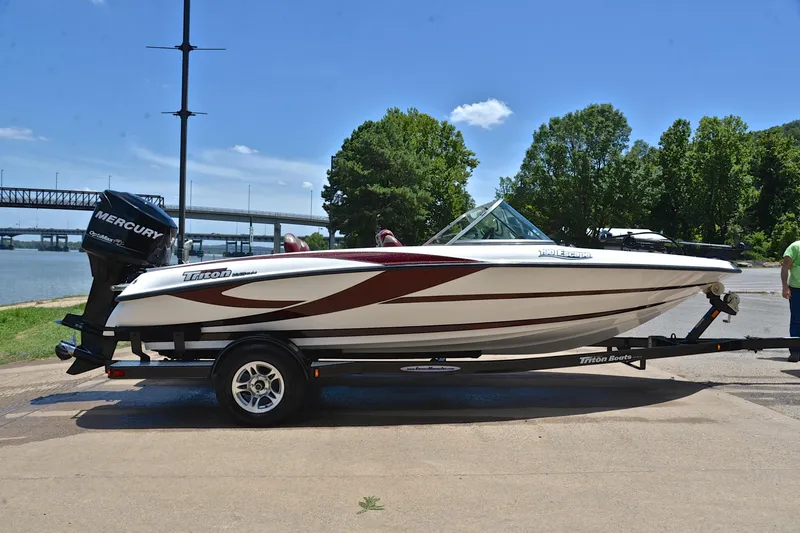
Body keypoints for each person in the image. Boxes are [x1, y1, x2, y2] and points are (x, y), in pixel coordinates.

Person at [781, 240, 800, 362]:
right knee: (796, 320)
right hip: (797, 289)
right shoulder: (795, 247)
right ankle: (795, 352)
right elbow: (785, 268)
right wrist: (785, 287)